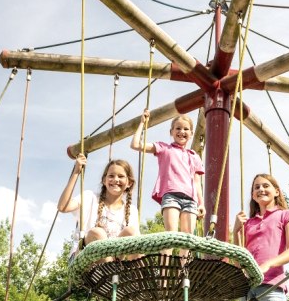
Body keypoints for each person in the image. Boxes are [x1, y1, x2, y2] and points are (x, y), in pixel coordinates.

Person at [130, 109, 205, 258]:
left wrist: (201, 203)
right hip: (171, 195)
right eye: (178, 128)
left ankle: (184, 275)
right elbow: (136, 144)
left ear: (191, 134)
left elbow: (197, 182)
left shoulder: (194, 156)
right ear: (171, 132)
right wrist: (142, 123)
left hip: (190, 200)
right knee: (170, 235)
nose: (181, 132)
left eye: (186, 129)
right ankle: (164, 278)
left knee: (187, 238)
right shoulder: (164, 148)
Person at [57, 154, 140, 256]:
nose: (115, 179)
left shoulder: (132, 210)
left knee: (131, 231)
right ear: (104, 180)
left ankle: (142, 271)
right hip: (84, 258)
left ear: (129, 183)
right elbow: (62, 207)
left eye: (121, 176)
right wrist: (76, 172)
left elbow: (135, 242)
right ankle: (107, 267)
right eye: (111, 176)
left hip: (114, 262)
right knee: (97, 233)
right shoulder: (90, 197)